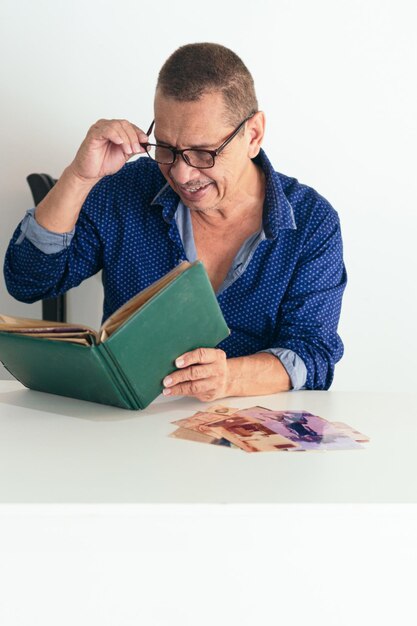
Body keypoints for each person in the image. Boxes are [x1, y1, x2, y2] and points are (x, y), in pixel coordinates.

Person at [4, 43, 347, 402]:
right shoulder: (126, 189)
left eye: (203, 153)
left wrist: (229, 378)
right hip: (130, 429)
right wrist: (78, 177)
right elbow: (28, 282)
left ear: (254, 135)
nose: (181, 174)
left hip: (247, 432)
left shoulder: (311, 223)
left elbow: (312, 354)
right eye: (166, 149)